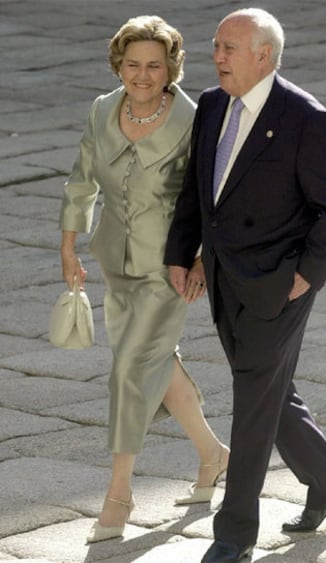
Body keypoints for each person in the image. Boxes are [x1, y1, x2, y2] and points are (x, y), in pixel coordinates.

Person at [165, 7, 326, 563]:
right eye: (217, 46)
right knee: (270, 390)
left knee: (252, 399)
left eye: (229, 48)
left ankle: (233, 535)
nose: (217, 56)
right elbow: (197, 192)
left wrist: (306, 277)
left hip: (281, 285)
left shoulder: (305, 118)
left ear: (263, 56)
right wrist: (185, 253)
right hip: (225, 279)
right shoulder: (210, 104)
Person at [59, 15, 229, 544]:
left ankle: (119, 493)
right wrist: (68, 244)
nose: (142, 74)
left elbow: (212, 196)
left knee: (131, 369)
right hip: (113, 258)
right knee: (153, 362)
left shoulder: (194, 119)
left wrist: (202, 259)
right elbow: (83, 180)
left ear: (171, 67)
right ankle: (213, 454)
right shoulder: (102, 108)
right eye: (133, 64)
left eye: (155, 65)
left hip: (169, 267)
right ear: (119, 63)